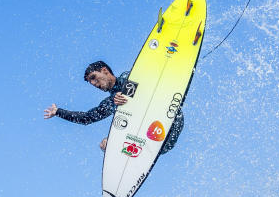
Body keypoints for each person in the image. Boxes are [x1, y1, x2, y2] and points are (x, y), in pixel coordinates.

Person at [43, 61, 184, 155]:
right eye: (90, 82)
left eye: (94, 77)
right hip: (158, 139)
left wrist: (126, 95)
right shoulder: (112, 100)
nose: (93, 83)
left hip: (170, 117)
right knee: (109, 141)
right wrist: (58, 112)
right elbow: (88, 117)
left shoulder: (127, 77)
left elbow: (143, 86)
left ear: (104, 71)